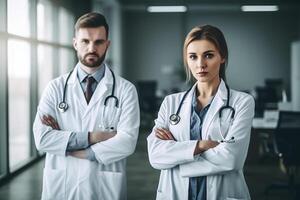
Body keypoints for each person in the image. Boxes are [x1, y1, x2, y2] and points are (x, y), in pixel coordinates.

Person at [33, 12, 140, 200]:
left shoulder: (125, 90)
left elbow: (127, 142)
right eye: (85, 41)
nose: (92, 48)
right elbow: (42, 139)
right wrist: (94, 136)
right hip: (62, 186)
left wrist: (76, 149)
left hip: (104, 187)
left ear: (107, 44)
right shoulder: (55, 88)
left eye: (99, 42)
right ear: (75, 43)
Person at [147, 25, 255, 200]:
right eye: (193, 57)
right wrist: (202, 145)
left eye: (209, 55)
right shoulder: (171, 103)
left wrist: (177, 156)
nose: (200, 64)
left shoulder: (242, 102)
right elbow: (156, 156)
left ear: (223, 57)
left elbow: (232, 159)